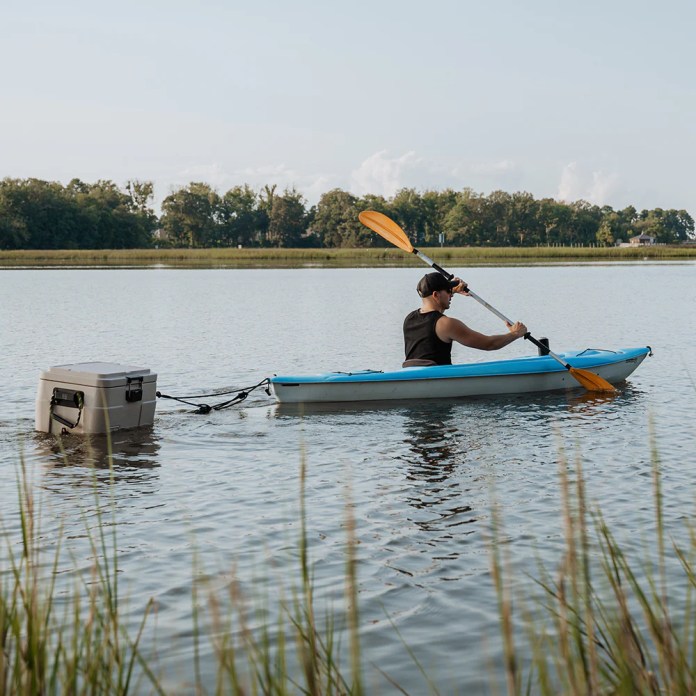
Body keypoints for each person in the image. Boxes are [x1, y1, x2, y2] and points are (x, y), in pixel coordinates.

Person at [403, 272, 528, 367]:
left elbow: (432, 316)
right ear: (436, 295)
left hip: (410, 375)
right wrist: (515, 333)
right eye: (448, 291)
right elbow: (489, 344)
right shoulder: (447, 324)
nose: (450, 295)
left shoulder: (409, 319)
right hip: (440, 381)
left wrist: (452, 291)